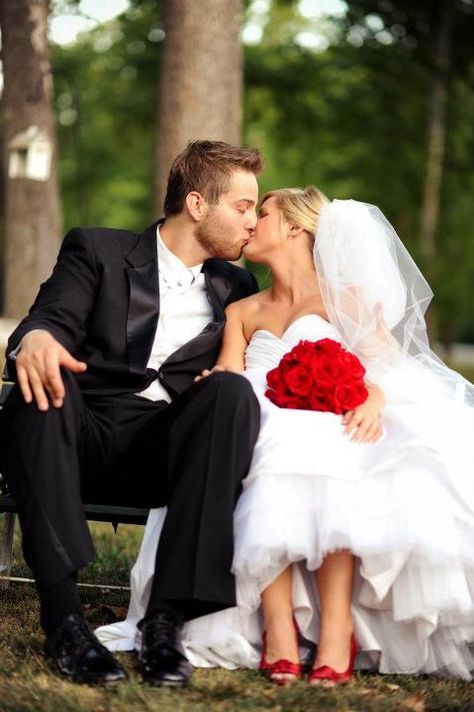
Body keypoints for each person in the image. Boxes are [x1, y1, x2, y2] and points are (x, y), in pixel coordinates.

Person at [96, 186, 474, 683]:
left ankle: (336, 629)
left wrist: (372, 402)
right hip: (262, 417)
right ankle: (278, 628)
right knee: (266, 446)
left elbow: (389, 370)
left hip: (339, 419)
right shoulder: (242, 312)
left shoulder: (348, 301)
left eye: (264, 213)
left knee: (323, 448)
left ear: (296, 228)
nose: (252, 223)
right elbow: (229, 377)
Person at [0, 140, 264, 686]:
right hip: (80, 432)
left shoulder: (236, 285)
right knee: (40, 383)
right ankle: (66, 620)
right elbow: (48, 318)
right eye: (242, 206)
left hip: (162, 448)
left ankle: (164, 624)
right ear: (196, 204)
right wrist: (36, 342)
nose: (253, 222)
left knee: (232, 393)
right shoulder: (98, 250)